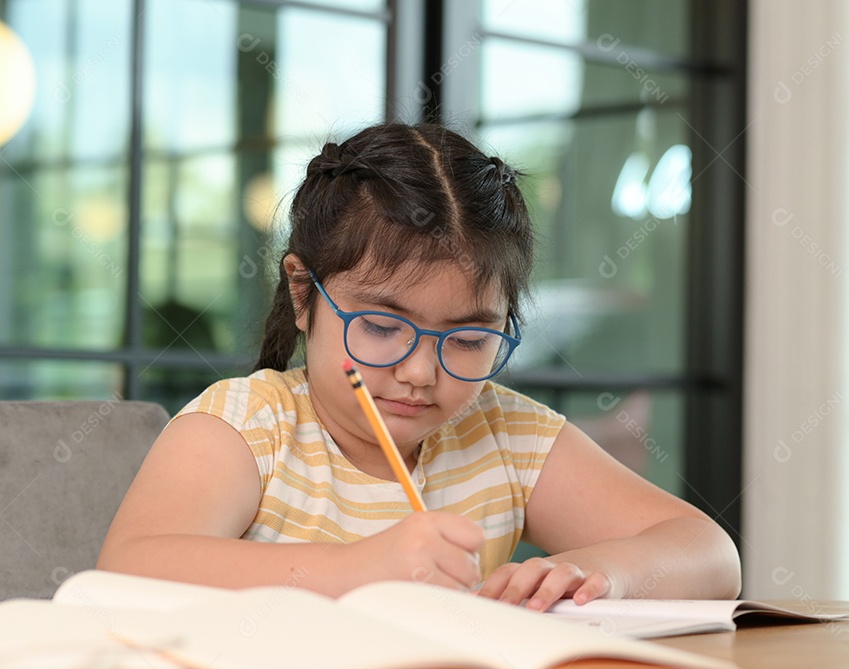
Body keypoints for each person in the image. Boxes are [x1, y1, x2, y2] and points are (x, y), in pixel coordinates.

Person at [97, 123, 741, 611]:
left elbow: (709, 553)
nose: (420, 373)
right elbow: (126, 573)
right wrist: (356, 571)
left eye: (467, 339)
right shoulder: (247, 426)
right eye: (380, 327)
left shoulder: (503, 435)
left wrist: (600, 574)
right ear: (303, 296)